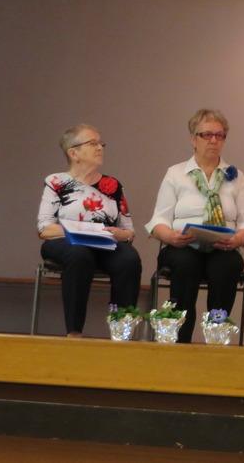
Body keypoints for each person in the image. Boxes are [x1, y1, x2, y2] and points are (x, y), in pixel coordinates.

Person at [144, 109, 244, 343]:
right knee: (185, 264)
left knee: (228, 265)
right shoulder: (176, 174)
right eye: (206, 135)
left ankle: (216, 336)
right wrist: (171, 237)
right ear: (193, 139)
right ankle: (180, 338)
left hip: (222, 248)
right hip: (182, 246)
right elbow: (159, 221)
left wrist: (237, 239)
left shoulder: (236, 176)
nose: (213, 140)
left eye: (219, 135)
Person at [37, 124, 141, 337]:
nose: (100, 147)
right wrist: (81, 230)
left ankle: (122, 332)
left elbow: (129, 231)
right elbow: (45, 228)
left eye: (101, 143)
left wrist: (120, 234)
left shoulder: (113, 185)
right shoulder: (56, 182)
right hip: (67, 243)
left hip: (104, 244)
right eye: (92, 143)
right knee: (79, 254)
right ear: (73, 153)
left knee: (129, 258)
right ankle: (74, 332)